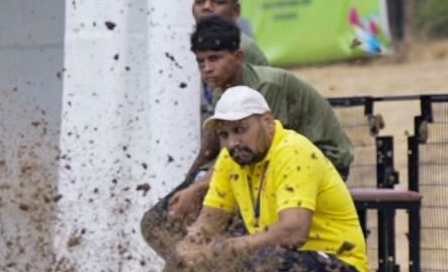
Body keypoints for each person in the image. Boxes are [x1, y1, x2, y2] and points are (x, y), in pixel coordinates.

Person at [143, 16, 354, 259]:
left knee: (240, 231)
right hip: (263, 167)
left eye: (214, 58)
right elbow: (213, 150)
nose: (207, 68)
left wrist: (199, 188)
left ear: (239, 57)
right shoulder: (221, 88)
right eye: (200, 62)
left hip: (323, 162)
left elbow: (262, 153)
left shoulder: (265, 88)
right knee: (155, 222)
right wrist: (191, 183)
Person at [174, 86, 368, 272]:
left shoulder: (293, 151)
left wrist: (225, 249)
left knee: (264, 261)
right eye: (224, 134)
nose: (232, 143)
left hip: (340, 269)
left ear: (267, 121)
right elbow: (207, 224)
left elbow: (293, 233)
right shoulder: (230, 159)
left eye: (240, 129)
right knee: (182, 263)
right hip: (281, 262)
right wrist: (188, 247)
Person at [192, 0, 269, 84]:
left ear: (235, 11)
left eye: (218, 2)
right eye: (200, 1)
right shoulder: (196, 42)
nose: (206, 7)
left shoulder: (243, 47)